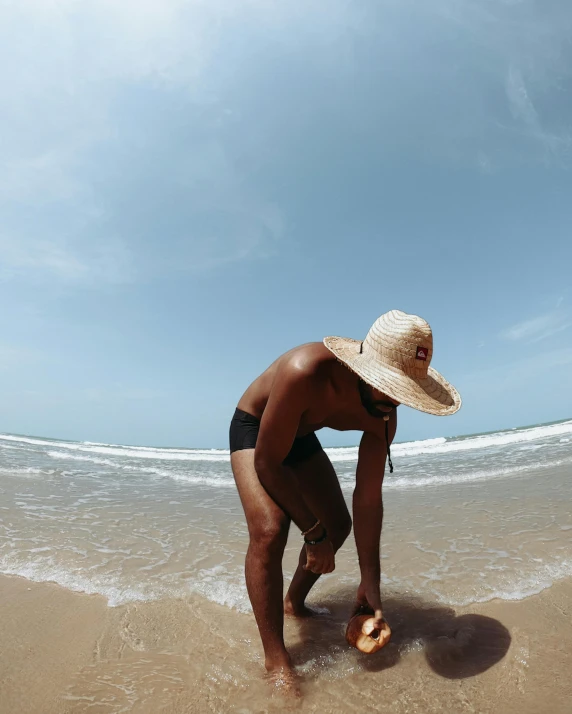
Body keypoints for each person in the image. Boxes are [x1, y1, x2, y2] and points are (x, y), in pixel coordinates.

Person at [229, 309, 461, 684]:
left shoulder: (384, 416)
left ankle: (294, 603)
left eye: (406, 391)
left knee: (339, 523)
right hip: (258, 431)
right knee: (271, 529)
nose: (396, 400)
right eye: (392, 386)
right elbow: (269, 464)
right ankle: (277, 661)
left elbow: (368, 499)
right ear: (363, 371)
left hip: (300, 435)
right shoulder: (305, 371)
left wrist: (371, 583)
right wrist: (313, 534)